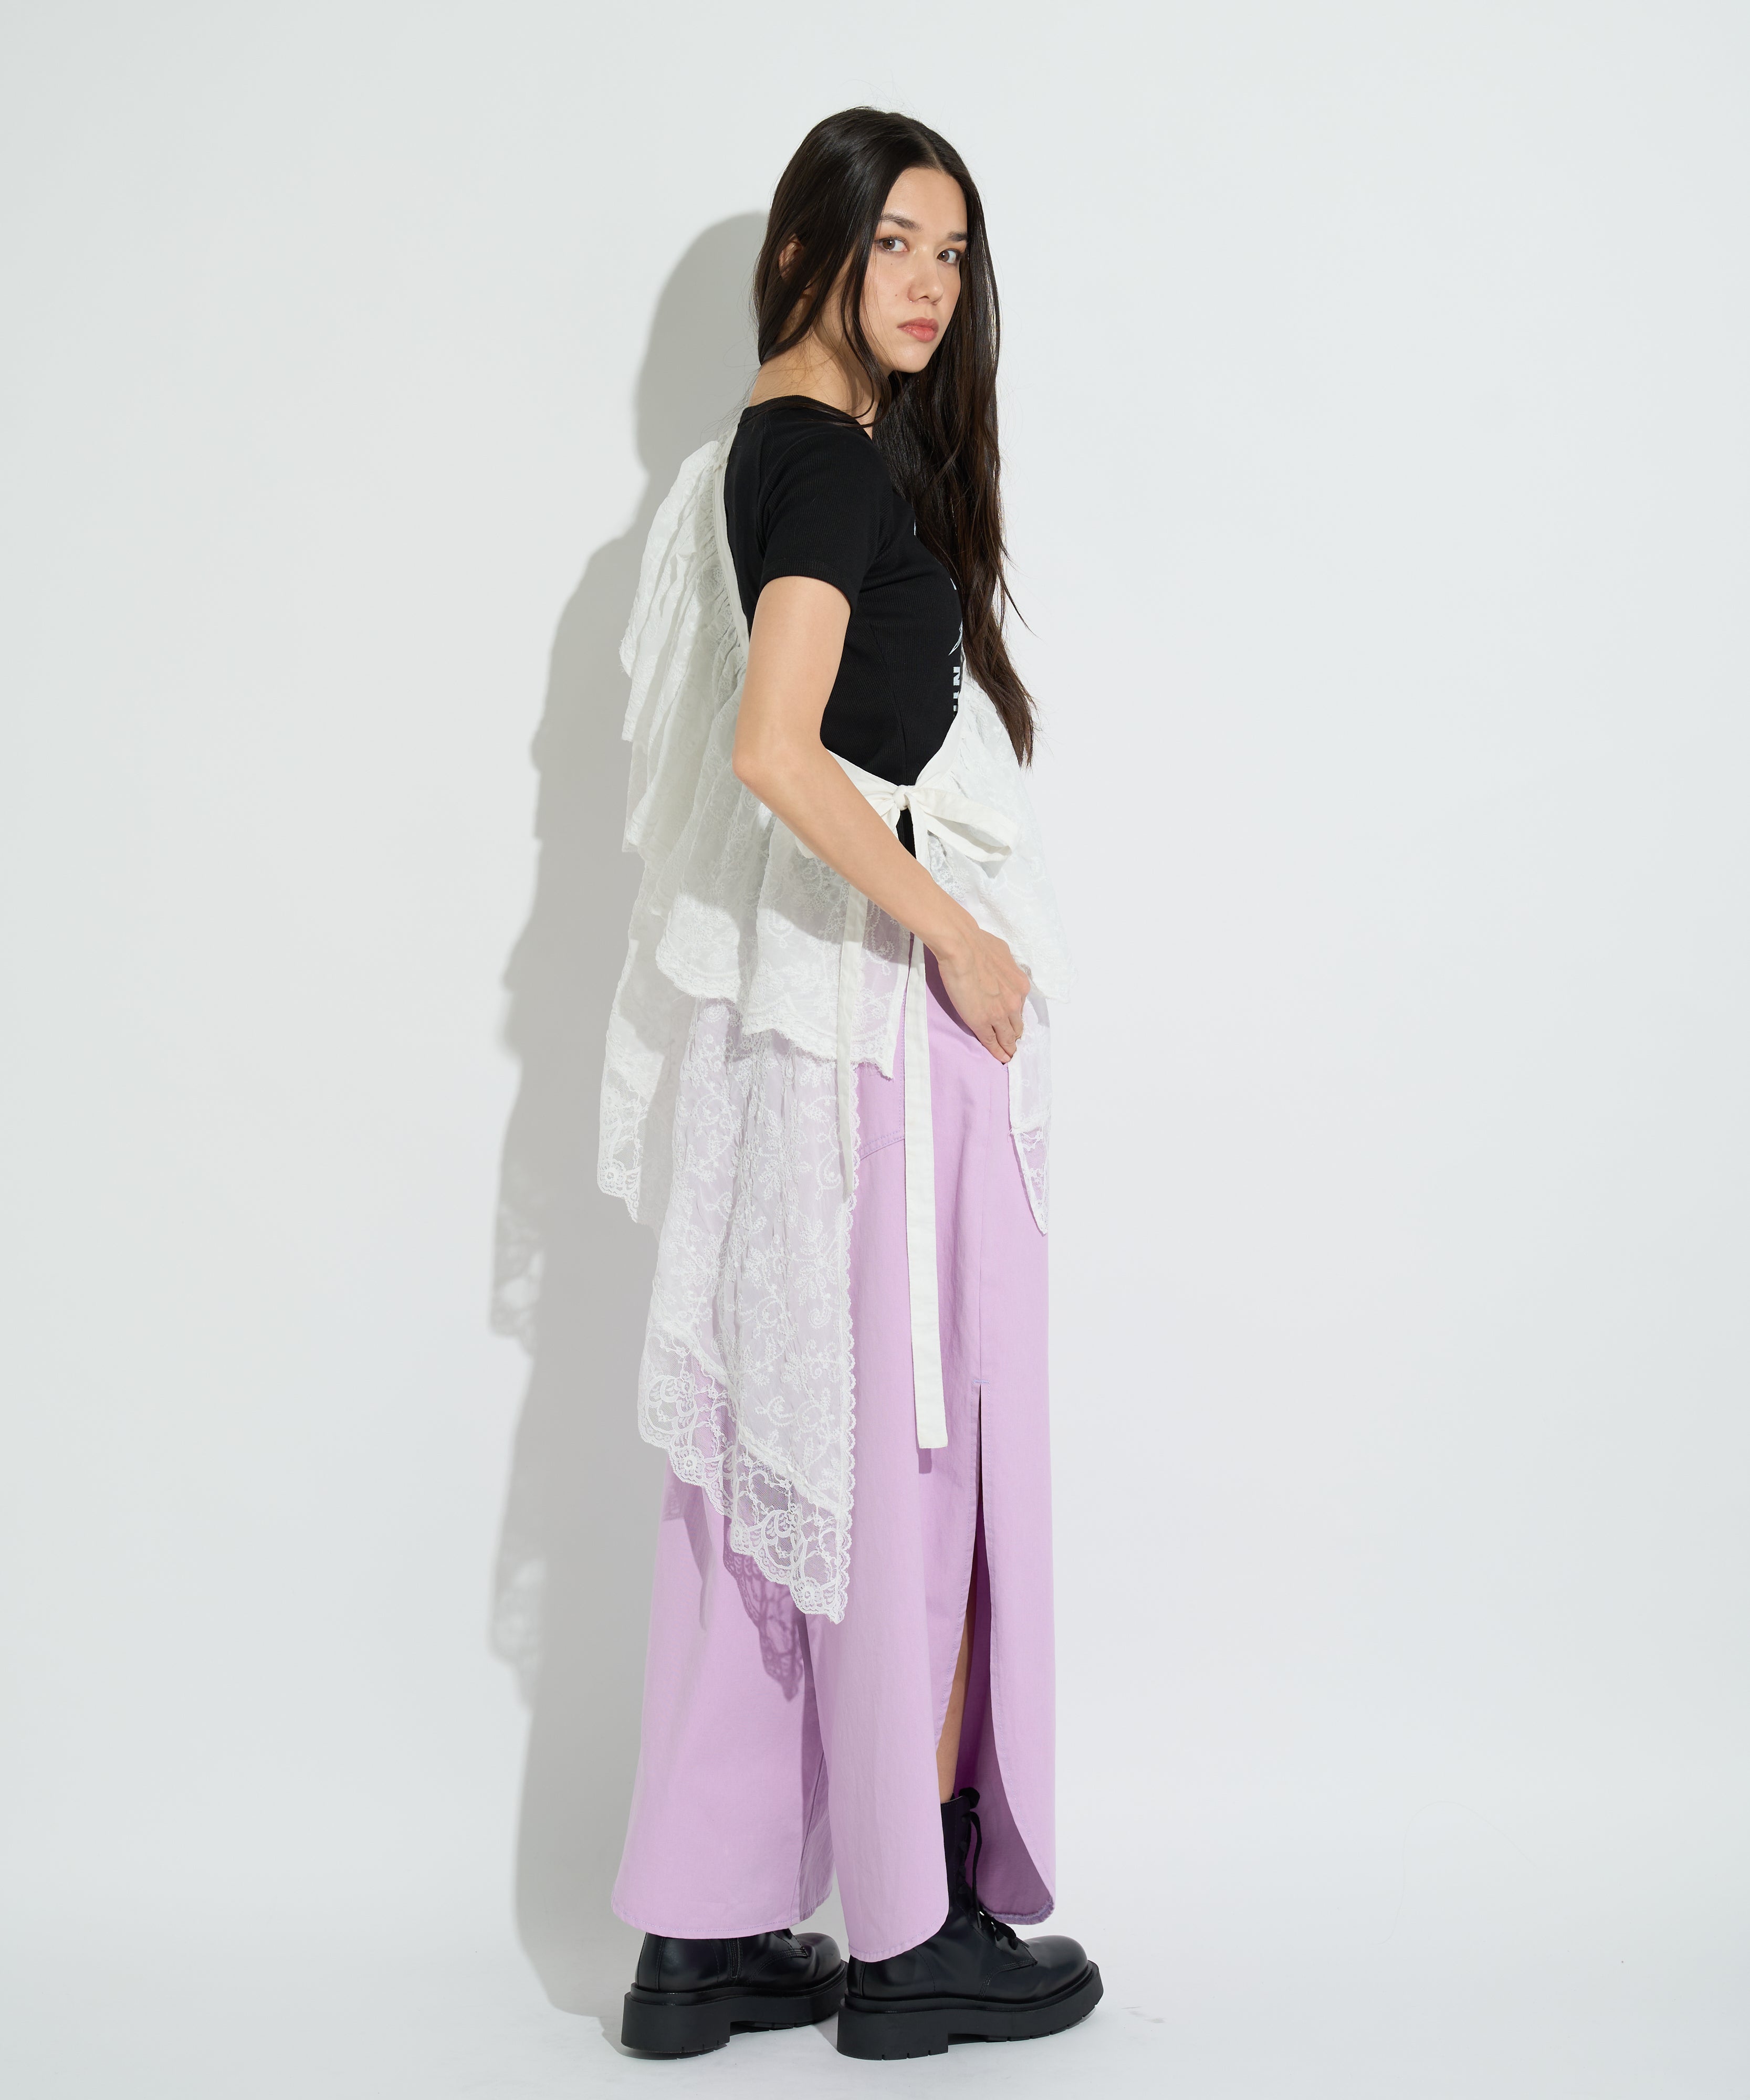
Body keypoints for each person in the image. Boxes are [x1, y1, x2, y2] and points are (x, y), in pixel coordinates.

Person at [597, 106, 1098, 2061]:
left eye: (953, 254)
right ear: (810, 248)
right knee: (918, 1467)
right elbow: (773, 745)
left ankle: (703, 1932)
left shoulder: (766, 450)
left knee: (773, 1470)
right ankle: (913, 1935)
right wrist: (959, 935)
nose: (930, 283)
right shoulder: (821, 465)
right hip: (884, 1033)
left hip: (803, 1039)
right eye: (896, 240)